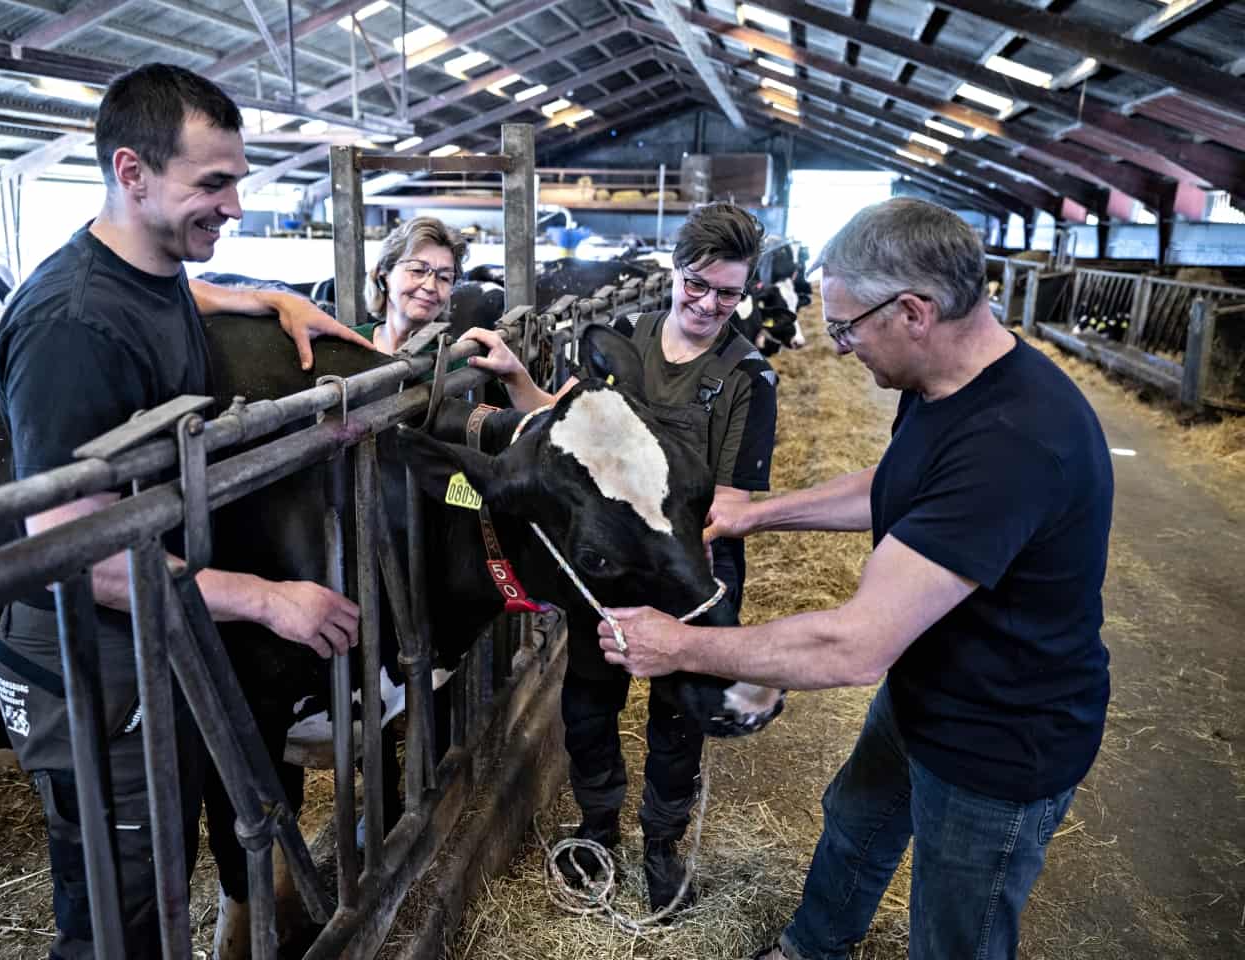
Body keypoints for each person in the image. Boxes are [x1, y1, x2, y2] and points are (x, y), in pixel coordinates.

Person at [595, 198, 1114, 960]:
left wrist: (680, 647)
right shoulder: (948, 385)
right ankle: (812, 947)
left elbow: (854, 645)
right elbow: (900, 481)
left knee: (954, 929)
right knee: (857, 822)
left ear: (913, 311)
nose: (837, 349)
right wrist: (760, 513)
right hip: (930, 690)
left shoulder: (1016, 443)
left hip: (1000, 738)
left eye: (845, 328)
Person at [0, 63, 371, 959]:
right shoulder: (72, 331)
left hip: (157, 637)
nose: (235, 206)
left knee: (166, 884)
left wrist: (260, 298)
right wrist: (269, 598)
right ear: (131, 173)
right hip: (91, 670)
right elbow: (69, 547)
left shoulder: (149, 270)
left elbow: (165, 294)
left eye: (236, 180)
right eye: (213, 184)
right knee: (121, 930)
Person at [465, 203, 780, 915]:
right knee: (588, 701)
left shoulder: (747, 377)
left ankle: (662, 845)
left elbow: (728, 505)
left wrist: (671, 565)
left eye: (727, 293)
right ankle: (599, 825)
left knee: (679, 712)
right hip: (609, 569)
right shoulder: (630, 338)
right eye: (696, 284)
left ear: (746, 291)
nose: (708, 304)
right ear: (675, 270)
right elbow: (569, 431)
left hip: (690, 569)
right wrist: (519, 379)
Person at [356, 216, 466, 354]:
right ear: (384, 274)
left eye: (444, 278)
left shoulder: (457, 359)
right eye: (417, 270)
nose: (430, 286)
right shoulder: (344, 345)